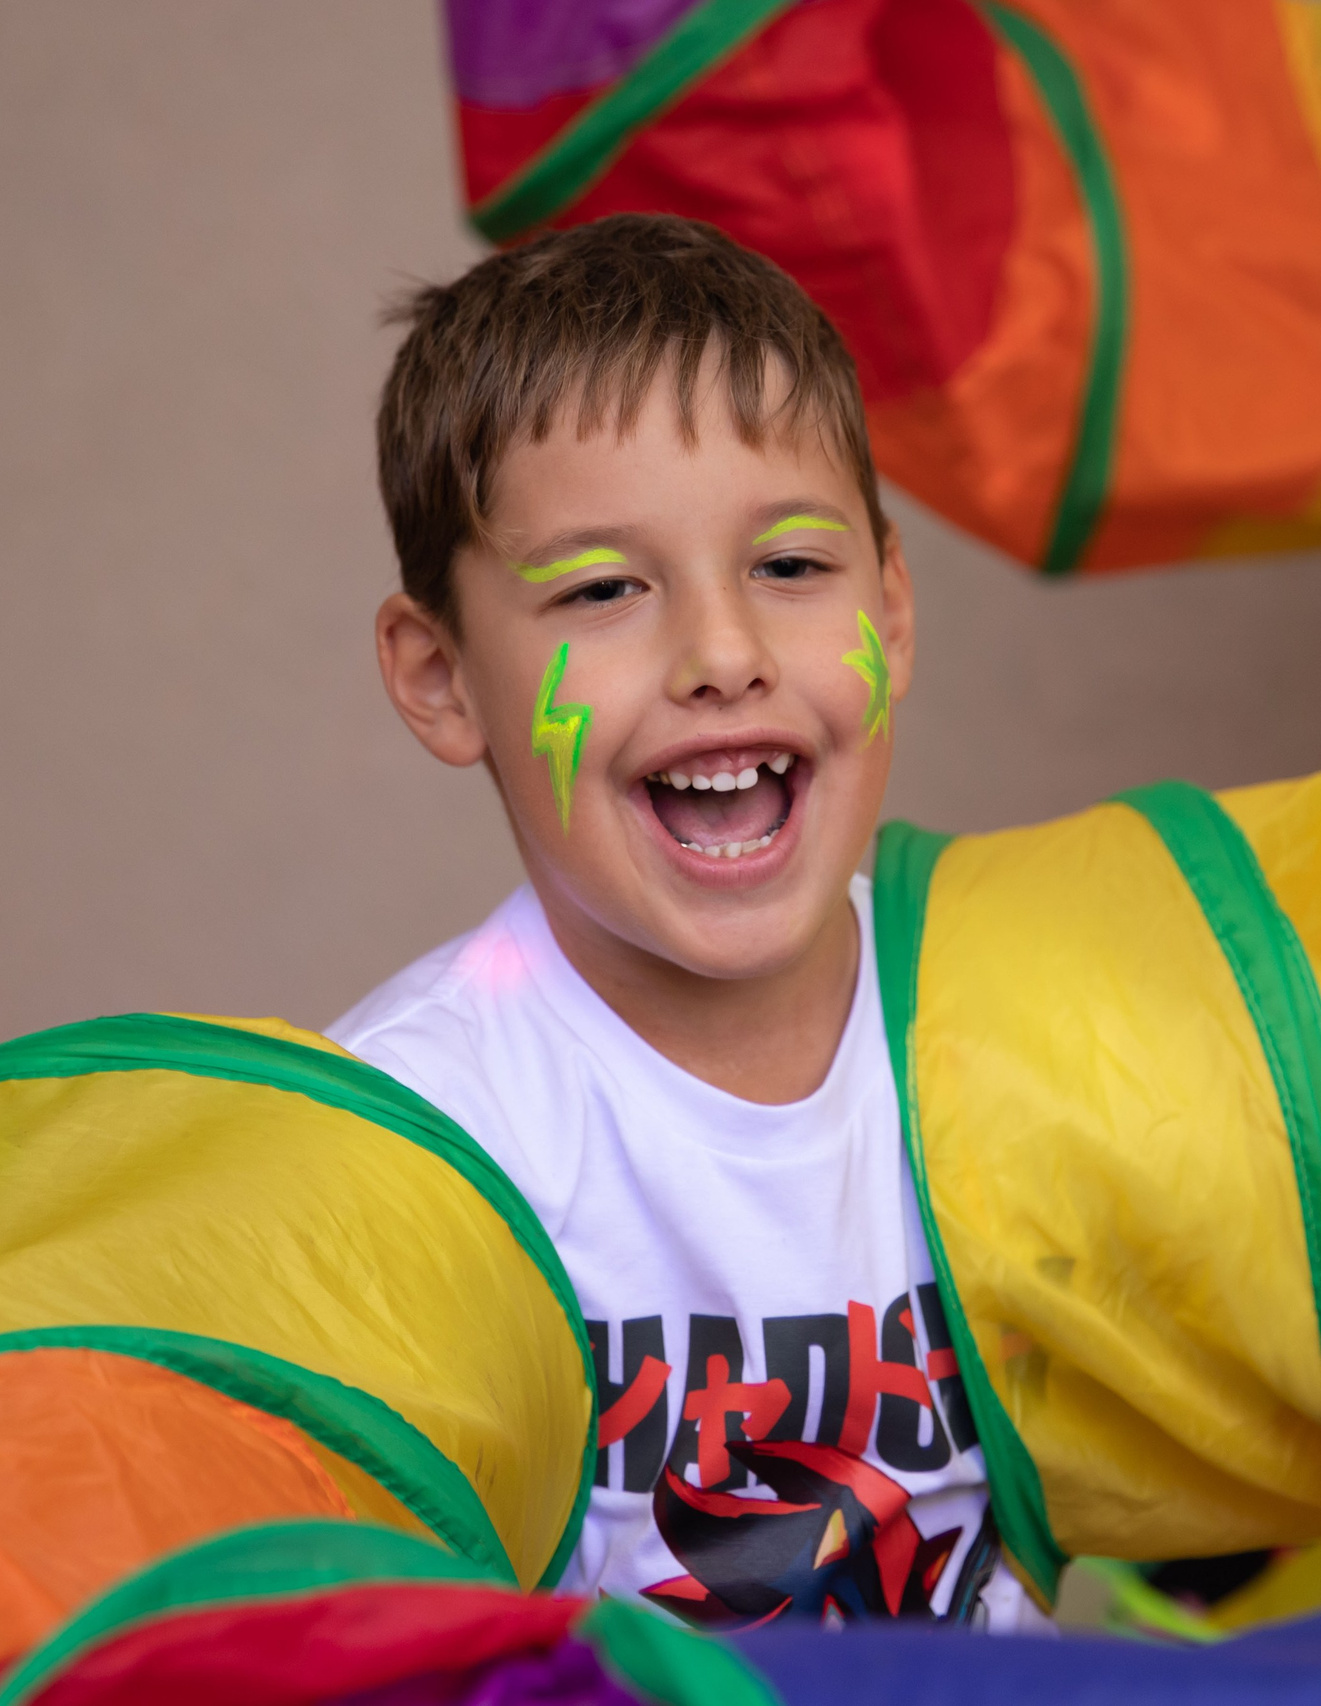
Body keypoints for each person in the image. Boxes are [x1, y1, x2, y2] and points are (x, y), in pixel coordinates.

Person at [330, 212, 1034, 1629]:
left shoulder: (1021, 1013)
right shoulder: (421, 1135)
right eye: (604, 589)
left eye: (790, 567)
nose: (723, 655)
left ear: (890, 608)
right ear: (441, 674)